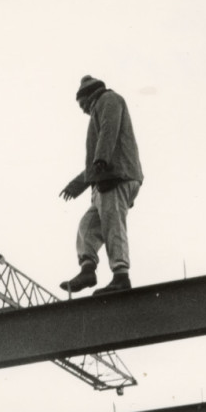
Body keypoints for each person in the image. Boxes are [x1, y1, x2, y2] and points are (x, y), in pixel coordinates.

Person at [59, 75, 144, 295]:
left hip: (117, 176)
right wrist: (76, 185)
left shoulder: (108, 100)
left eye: (82, 104)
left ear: (88, 96)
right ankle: (88, 269)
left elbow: (109, 129)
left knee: (113, 224)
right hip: (106, 178)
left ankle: (121, 275)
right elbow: (95, 160)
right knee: (87, 226)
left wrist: (102, 160)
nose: (83, 110)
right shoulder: (99, 108)